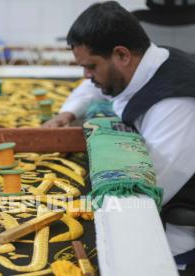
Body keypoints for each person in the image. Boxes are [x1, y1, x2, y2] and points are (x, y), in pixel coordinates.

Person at [43, 1, 195, 263]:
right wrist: (66, 114)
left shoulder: (175, 103)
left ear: (122, 55)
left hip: (176, 226)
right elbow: (93, 86)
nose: (87, 75)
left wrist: (74, 206)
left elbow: (149, 187)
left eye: (91, 66)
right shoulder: (150, 61)